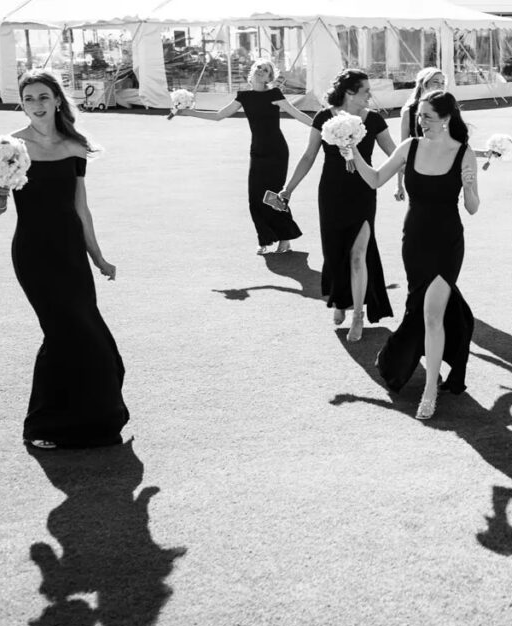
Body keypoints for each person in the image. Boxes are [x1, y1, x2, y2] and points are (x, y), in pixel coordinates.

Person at [0, 69, 129, 449]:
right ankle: (44, 425)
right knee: (64, 333)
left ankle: (97, 421)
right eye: (29, 98)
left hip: (70, 253)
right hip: (34, 252)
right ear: (22, 102)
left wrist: (97, 255)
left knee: (87, 333)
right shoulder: (9, 146)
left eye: (43, 97)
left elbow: (81, 207)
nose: (36, 104)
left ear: (57, 100)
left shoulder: (75, 145)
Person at [350, 90, 479, 420]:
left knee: (433, 315)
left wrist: (468, 186)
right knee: (420, 309)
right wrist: (351, 150)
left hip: (448, 241)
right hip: (415, 242)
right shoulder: (411, 147)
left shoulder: (464, 153)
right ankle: (416, 365)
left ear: (447, 118)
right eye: (419, 115)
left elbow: (473, 208)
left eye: (428, 117)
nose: (421, 122)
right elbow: (377, 179)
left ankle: (430, 390)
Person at [279, 69, 396, 341]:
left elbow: (396, 154)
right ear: (350, 92)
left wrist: (411, 177)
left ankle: (358, 315)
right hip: (331, 193)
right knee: (334, 252)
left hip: (363, 193)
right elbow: (309, 156)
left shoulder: (375, 120)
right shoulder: (323, 117)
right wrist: (289, 189)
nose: (370, 95)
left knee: (358, 255)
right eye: (365, 90)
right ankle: (341, 300)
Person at [172, 58, 311, 255]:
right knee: (255, 198)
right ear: (253, 72)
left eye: (266, 70)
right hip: (257, 152)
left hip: (277, 152)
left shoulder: (275, 94)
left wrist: (320, 126)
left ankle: (285, 238)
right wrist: (189, 112)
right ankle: (264, 238)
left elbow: (297, 114)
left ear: (270, 77)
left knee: (272, 196)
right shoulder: (243, 96)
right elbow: (220, 115)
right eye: (259, 68)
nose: (261, 71)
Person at [395, 67, 447, 202]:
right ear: (424, 84)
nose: (440, 85)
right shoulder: (409, 112)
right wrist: (399, 185)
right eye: (436, 82)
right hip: (418, 171)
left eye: (442, 82)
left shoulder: (448, 109)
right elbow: (401, 150)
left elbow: (455, 144)